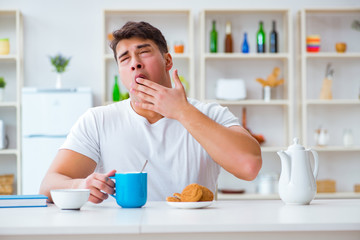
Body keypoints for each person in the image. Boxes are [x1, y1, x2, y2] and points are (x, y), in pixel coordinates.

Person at [40, 21, 262, 203]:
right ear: (120, 72)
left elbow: (249, 167)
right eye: (125, 59)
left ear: (167, 61)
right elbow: (48, 186)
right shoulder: (97, 120)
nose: (134, 63)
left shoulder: (210, 113)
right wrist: (79, 185)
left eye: (143, 52)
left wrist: (182, 112)